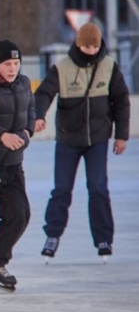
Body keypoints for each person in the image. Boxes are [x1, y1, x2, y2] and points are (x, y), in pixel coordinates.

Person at [34, 22, 130, 262]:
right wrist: (38, 116)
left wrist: (122, 135)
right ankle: (52, 235)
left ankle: (103, 239)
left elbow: (121, 101)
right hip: (68, 139)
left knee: (98, 188)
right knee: (61, 190)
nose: (91, 50)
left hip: (98, 138)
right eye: (87, 45)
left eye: (95, 45)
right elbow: (44, 93)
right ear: (78, 44)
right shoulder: (62, 68)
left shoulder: (109, 67)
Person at [0, 41, 36, 291]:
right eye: (8, 64)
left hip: (13, 166)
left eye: (16, 63)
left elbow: (31, 111)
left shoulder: (24, 83)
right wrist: (2, 135)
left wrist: (28, 131)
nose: (13, 68)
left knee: (19, 215)